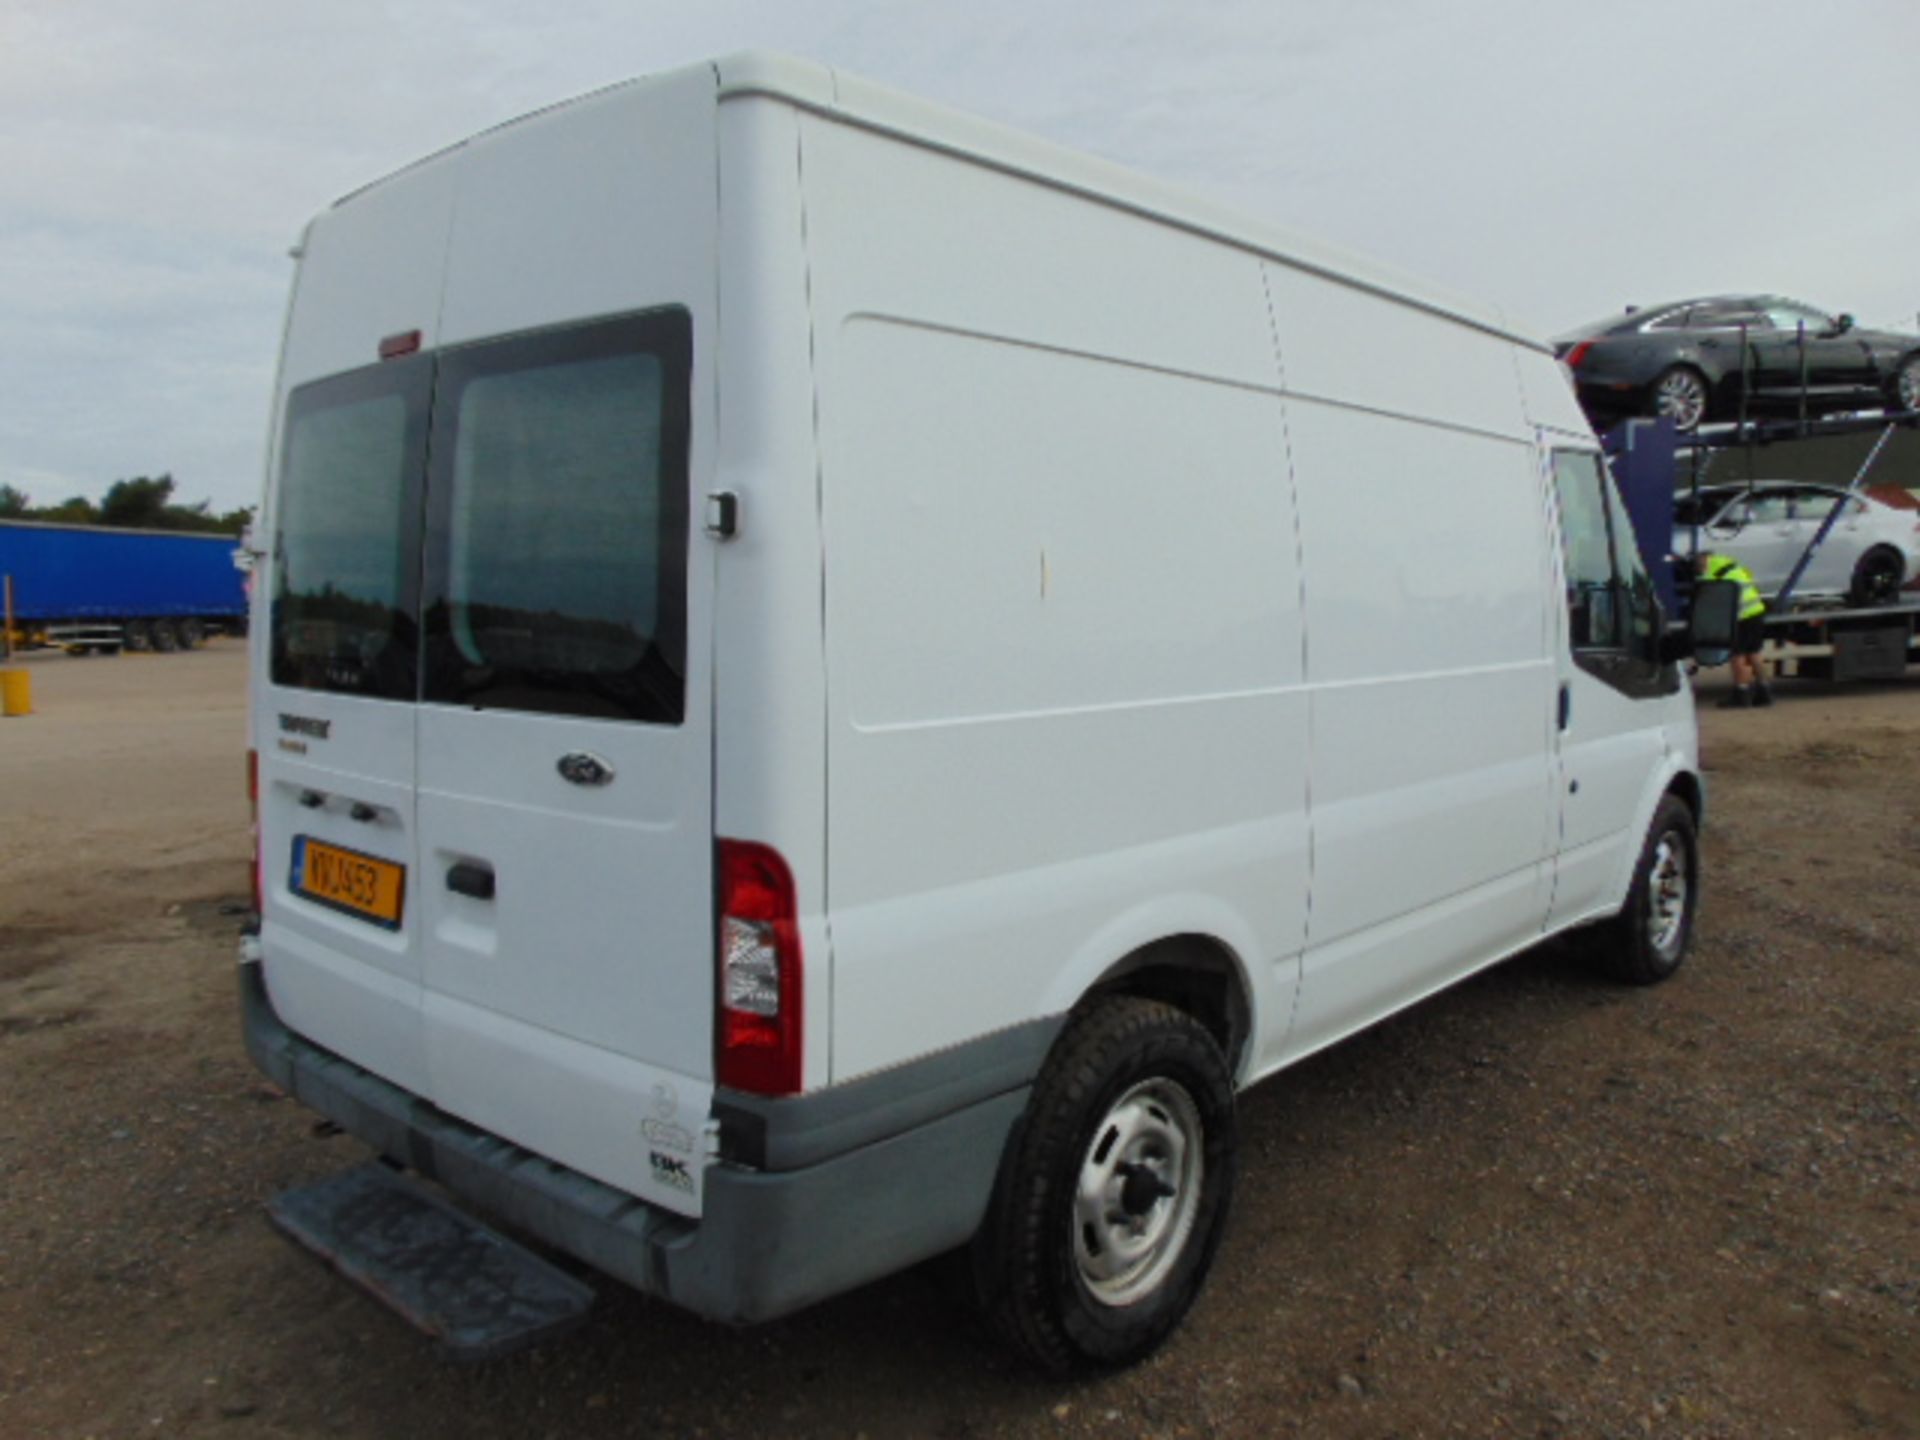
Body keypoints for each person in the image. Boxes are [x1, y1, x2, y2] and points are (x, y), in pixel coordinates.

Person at [1697, 551, 1770, 707]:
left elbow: (1706, 599)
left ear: (1704, 560)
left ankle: (1741, 694)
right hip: (1756, 612)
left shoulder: (1712, 575)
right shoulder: (1733, 566)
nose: (1698, 567)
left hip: (1741, 617)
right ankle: (1764, 691)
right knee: (1754, 653)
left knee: (1737, 655)